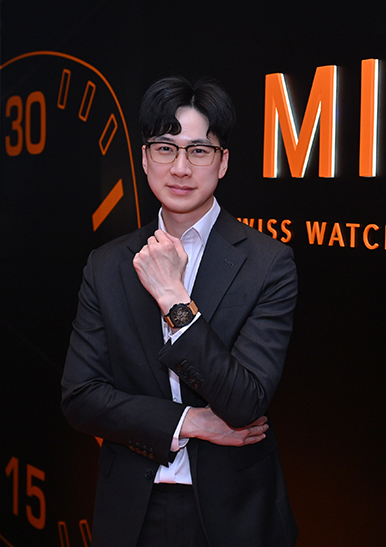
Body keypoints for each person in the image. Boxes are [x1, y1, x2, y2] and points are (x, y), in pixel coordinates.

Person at [61, 76, 298, 547]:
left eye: (199, 150)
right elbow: (81, 398)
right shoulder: (106, 264)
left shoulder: (268, 262)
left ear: (223, 162)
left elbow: (245, 402)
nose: (181, 168)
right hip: (132, 508)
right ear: (145, 159)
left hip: (235, 513)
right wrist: (188, 422)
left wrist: (173, 299)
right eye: (166, 149)